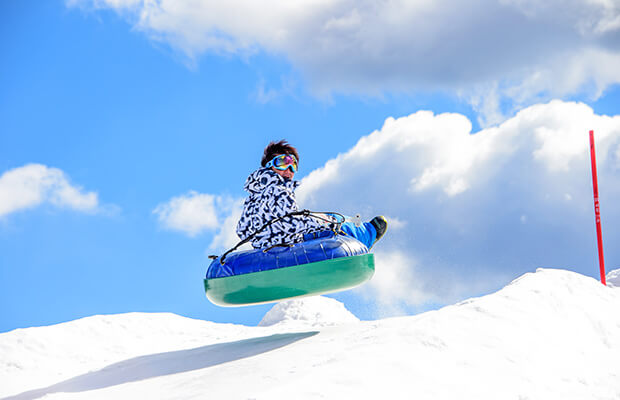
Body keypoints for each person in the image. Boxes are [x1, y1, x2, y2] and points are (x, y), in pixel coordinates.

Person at [236, 140, 387, 249]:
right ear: (269, 166)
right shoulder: (279, 189)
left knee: (323, 218)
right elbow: (292, 223)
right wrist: (325, 221)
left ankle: (359, 227)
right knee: (333, 221)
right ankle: (368, 234)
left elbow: (242, 229)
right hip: (288, 242)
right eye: (283, 162)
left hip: (265, 246)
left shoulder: (253, 196)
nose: (288, 169)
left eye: (293, 165)